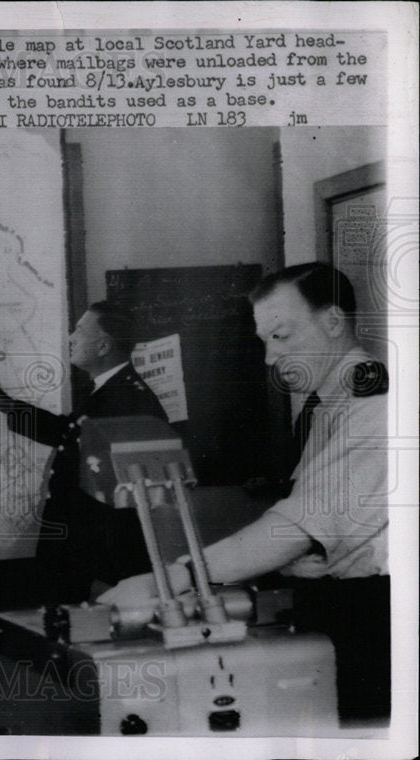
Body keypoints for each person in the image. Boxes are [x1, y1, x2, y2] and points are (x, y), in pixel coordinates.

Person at [98, 263, 389, 722]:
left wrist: (169, 580)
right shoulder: (329, 402)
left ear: (333, 322)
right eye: (265, 342)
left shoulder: (373, 406)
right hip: (332, 601)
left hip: (369, 617)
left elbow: (299, 527)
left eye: (282, 336)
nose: (271, 359)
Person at [0, 301, 168, 603]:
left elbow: (124, 490)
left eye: (80, 331)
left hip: (88, 539)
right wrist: (7, 405)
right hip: (78, 535)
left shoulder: (128, 397)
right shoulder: (111, 390)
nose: (70, 338)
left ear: (103, 345)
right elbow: (69, 432)